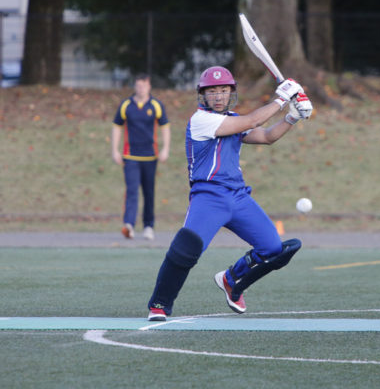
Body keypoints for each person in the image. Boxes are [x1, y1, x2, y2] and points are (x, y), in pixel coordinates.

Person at [146, 66, 313, 321]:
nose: (218, 96)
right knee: (186, 250)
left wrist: (292, 117)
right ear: (203, 95)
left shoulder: (233, 119)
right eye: (212, 91)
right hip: (208, 196)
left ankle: (231, 277)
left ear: (230, 93)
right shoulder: (201, 120)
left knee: (273, 249)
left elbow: (266, 136)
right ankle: (159, 304)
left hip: (238, 196)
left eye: (223, 90)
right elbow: (252, 121)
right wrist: (281, 99)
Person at [111, 74, 171, 241]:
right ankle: (129, 225)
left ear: (149, 86)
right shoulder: (126, 105)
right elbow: (117, 126)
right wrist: (115, 150)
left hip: (150, 156)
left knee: (149, 192)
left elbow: (165, 126)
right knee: (131, 191)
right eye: (138, 86)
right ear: (135, 87)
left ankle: (148, 226)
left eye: (143, 86)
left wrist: (166, 148)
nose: (141, 89)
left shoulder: (156, 105)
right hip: (130, 156)